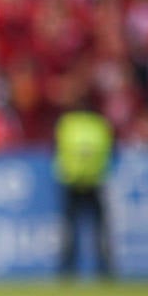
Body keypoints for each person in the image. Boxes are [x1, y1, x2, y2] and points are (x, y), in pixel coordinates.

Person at [53, 104, 114, 279]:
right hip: (95, 181)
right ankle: (104, 269)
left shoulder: (66, 124)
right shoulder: (99, 125)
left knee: (70, 229)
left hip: (71, 181)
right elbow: (110, 151)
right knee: (99, 229)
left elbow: (56, 150)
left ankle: (67, 270)